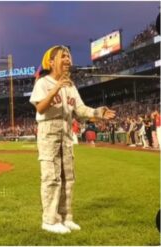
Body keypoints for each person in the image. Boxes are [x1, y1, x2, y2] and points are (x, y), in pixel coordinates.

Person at [29, 45, 115, 234]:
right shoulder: (43, 82)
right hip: (49, 132)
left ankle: (66, 217)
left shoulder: (71, 85)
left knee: (68, 178)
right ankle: (50, 220)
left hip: (66, 132)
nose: (68, 59)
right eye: (63, 56)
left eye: (69, 56)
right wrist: (56, 88)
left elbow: (80, 110)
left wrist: (98, 112)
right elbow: (40, 108)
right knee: (51, 177)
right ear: (51, 62)